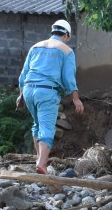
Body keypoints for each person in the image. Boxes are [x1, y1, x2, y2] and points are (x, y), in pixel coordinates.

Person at [16, 19, 84, 174]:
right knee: (47, 128)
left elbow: (23, 74)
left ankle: (39, 159)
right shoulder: (66, 50)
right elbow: (68, 78)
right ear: (66, 35)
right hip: (46, 92)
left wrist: (21, 94)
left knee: (37, 125)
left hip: (28, 90)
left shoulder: (35, 46)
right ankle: (42, 164)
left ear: (53, 32)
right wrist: (75, 98)